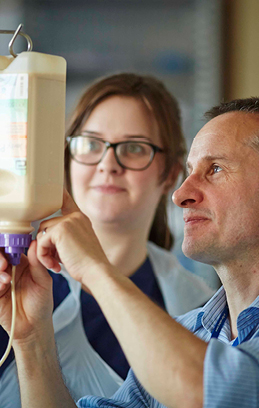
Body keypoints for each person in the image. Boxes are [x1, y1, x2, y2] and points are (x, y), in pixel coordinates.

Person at [0, 96, 259, 408]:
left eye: (215, 170)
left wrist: (95, 267)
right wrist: (32, 340)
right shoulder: (188, 332)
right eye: (190, 171)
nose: (181, 195)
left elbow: (216, 392)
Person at [0, 73, 215, 406]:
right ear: (67, 158)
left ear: (170, 174)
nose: (107, 164)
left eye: (133, 148)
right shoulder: (12, 280)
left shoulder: (201, 309)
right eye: (90, 144)